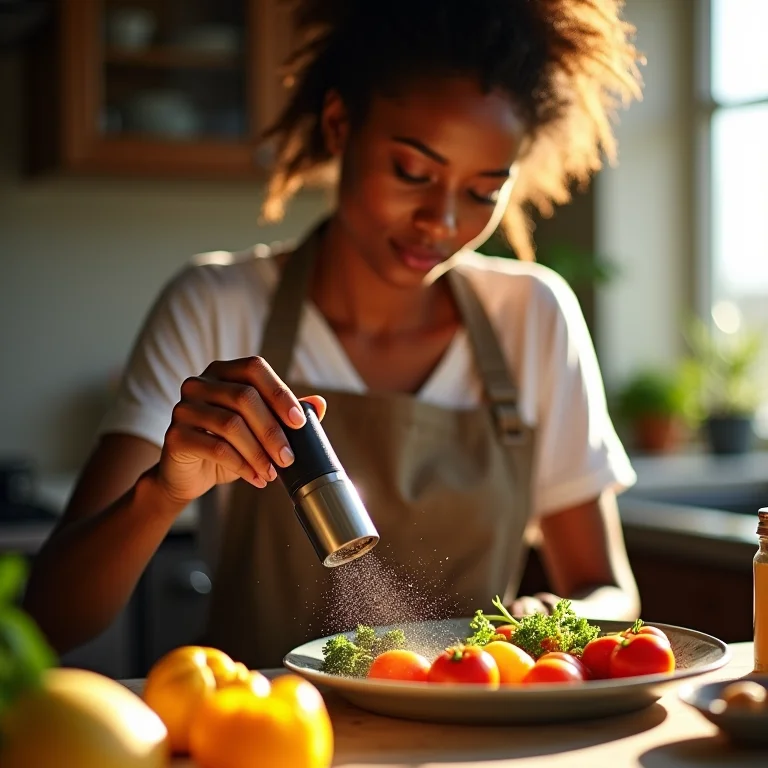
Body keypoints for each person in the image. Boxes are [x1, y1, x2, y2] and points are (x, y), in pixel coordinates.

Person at [24, 0, 645, 669]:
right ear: (340, 124)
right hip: (267, 736)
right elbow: (51, 621)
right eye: (413, 172)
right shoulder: (217, 306)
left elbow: (607, 588)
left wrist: (558, 616)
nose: (439, 221)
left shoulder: (533, 316)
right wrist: (162, 492)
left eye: (481, 192)